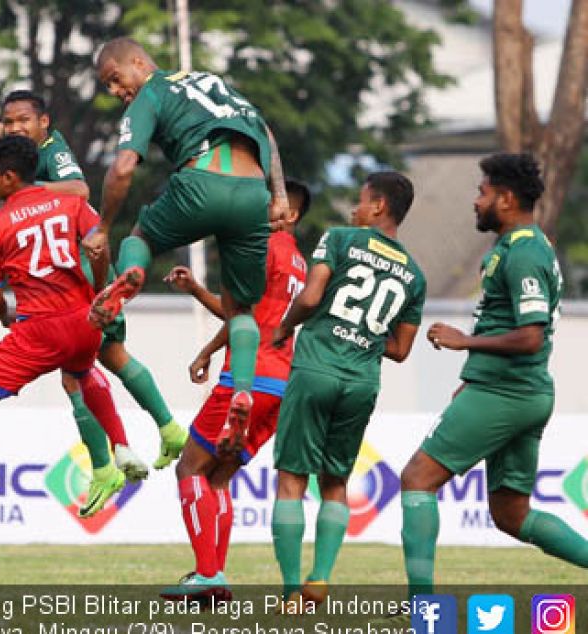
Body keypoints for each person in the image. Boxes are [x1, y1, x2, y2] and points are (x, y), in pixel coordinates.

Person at [0, 69, 186, 477]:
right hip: (66, 283)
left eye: (21, 121)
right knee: (78, 373)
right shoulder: (19, 148)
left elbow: (81, 192)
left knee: (111, 357)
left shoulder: (50, 148)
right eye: (9, 122)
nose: (12, 128)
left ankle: (165, 430)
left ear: (43, 123)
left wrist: (25, 199)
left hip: (75, 273)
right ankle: (111, 463)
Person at [82, 36, 289, 443]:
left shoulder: (151, 92)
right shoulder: (211, 81)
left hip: (201, 183)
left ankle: (131, 279)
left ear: (138, 62)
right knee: (241, 308)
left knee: (137, 237)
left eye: (115, 78)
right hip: (252, 194)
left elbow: (123, 168)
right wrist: (280, 195)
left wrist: (103, 226)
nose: (115, 91)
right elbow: (263, 129)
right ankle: (242, 392)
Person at [398, 153, 585, 597]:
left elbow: (530, 337)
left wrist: (466, 343)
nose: (475, 201)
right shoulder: (515, 248)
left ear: (506, 198)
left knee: (416, 479)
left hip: (507, 391)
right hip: (513, 391)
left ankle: (421, 611)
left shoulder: (525, 252)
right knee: (511, 515)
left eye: (482, 192)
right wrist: (470, 377)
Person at [0, 135, 126, 522]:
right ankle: (117, 453)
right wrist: (99, 290)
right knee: (82, 373)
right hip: (84, 320)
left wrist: (6, 318)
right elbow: (99, 245)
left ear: (9, 177)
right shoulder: (71, 203)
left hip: (38, 329)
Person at [268, 172, 426, 606]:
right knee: (335, 481)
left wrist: (284, 328)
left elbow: (312, 294)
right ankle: (318, 580)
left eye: (360, 201)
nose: (353, 209)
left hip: (317, 367)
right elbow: (400, 349)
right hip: (361, 382)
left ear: (378, 207)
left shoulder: (339, 239)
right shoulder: (415, 275)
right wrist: (366, 335)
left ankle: (288, 592)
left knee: (291, 480)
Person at [161, 179, 311, 598]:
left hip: (247, 378)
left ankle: (207, 574)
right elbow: (247, 315)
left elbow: (236, 314)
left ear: (289, 213)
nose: (259, 211)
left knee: (190, 469)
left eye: (269, 205)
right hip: (281, 385)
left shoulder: (264, 249)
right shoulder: (298, 260)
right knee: (219, 480)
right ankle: (214, 576)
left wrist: (197, 300)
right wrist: (208, 347)